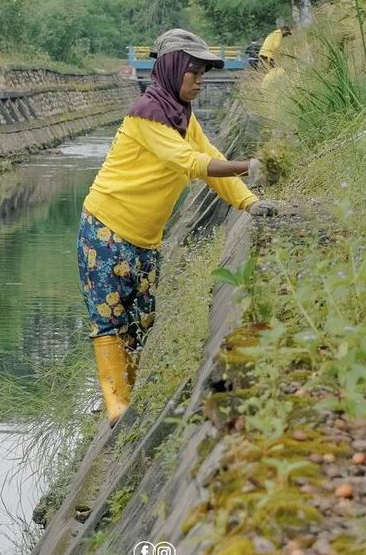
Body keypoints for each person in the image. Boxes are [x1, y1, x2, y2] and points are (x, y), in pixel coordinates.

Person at [77, 28, 279, 425]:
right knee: (109, 317)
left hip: (145, 239)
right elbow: (192, 164)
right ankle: (116, 405)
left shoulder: (183, 118)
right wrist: (247, 166)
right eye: (194, 73)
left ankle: (126, 397)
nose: (200, 81)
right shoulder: (146, 115)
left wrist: (249, 202)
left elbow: (211, 161)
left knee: (140, 321)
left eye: (204, 74)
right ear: (171, 69)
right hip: (106, 228)